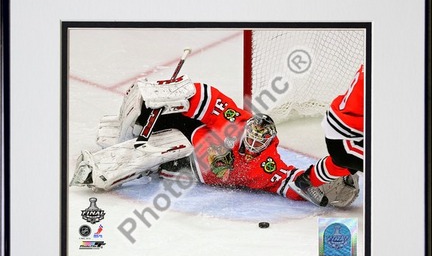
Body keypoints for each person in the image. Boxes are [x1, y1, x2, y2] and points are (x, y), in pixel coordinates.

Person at [70, 74, 359, 208]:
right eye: (252, 138)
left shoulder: (268, 166)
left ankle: (108, 165)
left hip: (187, 169)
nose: (254, 145)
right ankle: (141, 122)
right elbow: (209, 99)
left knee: (158, 157)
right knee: (158, 127)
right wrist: (177, 93)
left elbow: (294, 183)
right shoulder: (236, 123)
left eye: (261, 142)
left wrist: (333, 173)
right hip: (190, 135)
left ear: (269, 142)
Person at [289, 64, 364, 207]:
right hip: (347, 134)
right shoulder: (383, 67)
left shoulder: (379, 58)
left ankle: (308, 180)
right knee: (383, 162)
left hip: (346, 129)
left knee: (344, 160)